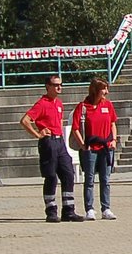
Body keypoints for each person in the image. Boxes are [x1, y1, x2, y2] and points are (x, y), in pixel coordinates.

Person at [21, 76, 81, 222]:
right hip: (48, 142)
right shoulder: (42, 103)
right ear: (48, 86)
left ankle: (68, 210)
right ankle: (51, 210)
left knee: (68, 174)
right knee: (51, 176)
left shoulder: (59, 103)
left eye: (61, 85)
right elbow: (25, 120)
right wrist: (38, 134)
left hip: (59, 141)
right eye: (55, 85)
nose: (59, 88)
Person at [70, 78, 120, 220]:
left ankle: (106, 208)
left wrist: (114, 140)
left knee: (106, 179)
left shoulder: (108, 105)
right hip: (90, 148)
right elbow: (75, 128)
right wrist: (83, 146)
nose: (107, 92)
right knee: (90, 179)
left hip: (105, 148)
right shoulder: (83, 106)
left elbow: (112, 123)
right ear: (96, 90)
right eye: (104, 89)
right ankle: (90, 209)